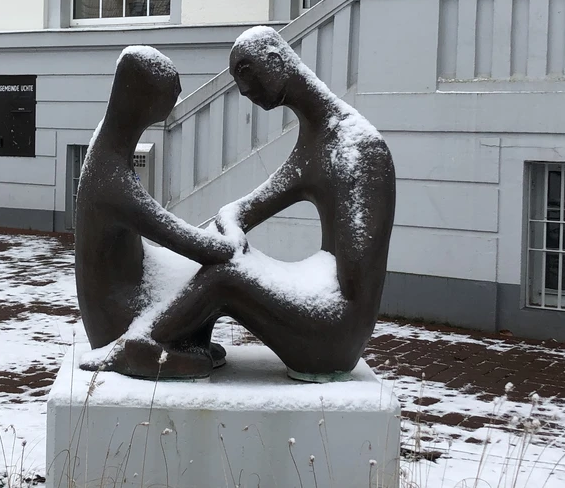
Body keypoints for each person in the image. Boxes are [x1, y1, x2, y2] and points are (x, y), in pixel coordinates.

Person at [101, 26, 397, 381]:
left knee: (226, 277)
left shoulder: (358, 149)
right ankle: (166, 336)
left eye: (250, 80)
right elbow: (238, 211)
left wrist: (235, 258)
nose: (247, 93)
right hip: (318, 305)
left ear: (275, 61)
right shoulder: (316, 141)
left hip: (335, 334)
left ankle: (141, 345)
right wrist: (227, 237)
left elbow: (352, 291)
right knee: (222, 260)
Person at [73, 46, 244, 378]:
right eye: (169, 97)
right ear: (140, 98)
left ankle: (183, 340)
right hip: (118, 322)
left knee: (204, 275)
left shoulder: (108, 149)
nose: (174, 104)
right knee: (222, 277)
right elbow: (177, 236)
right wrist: (227, 245)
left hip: (136, 293)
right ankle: (136, 350)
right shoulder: (110, 177)